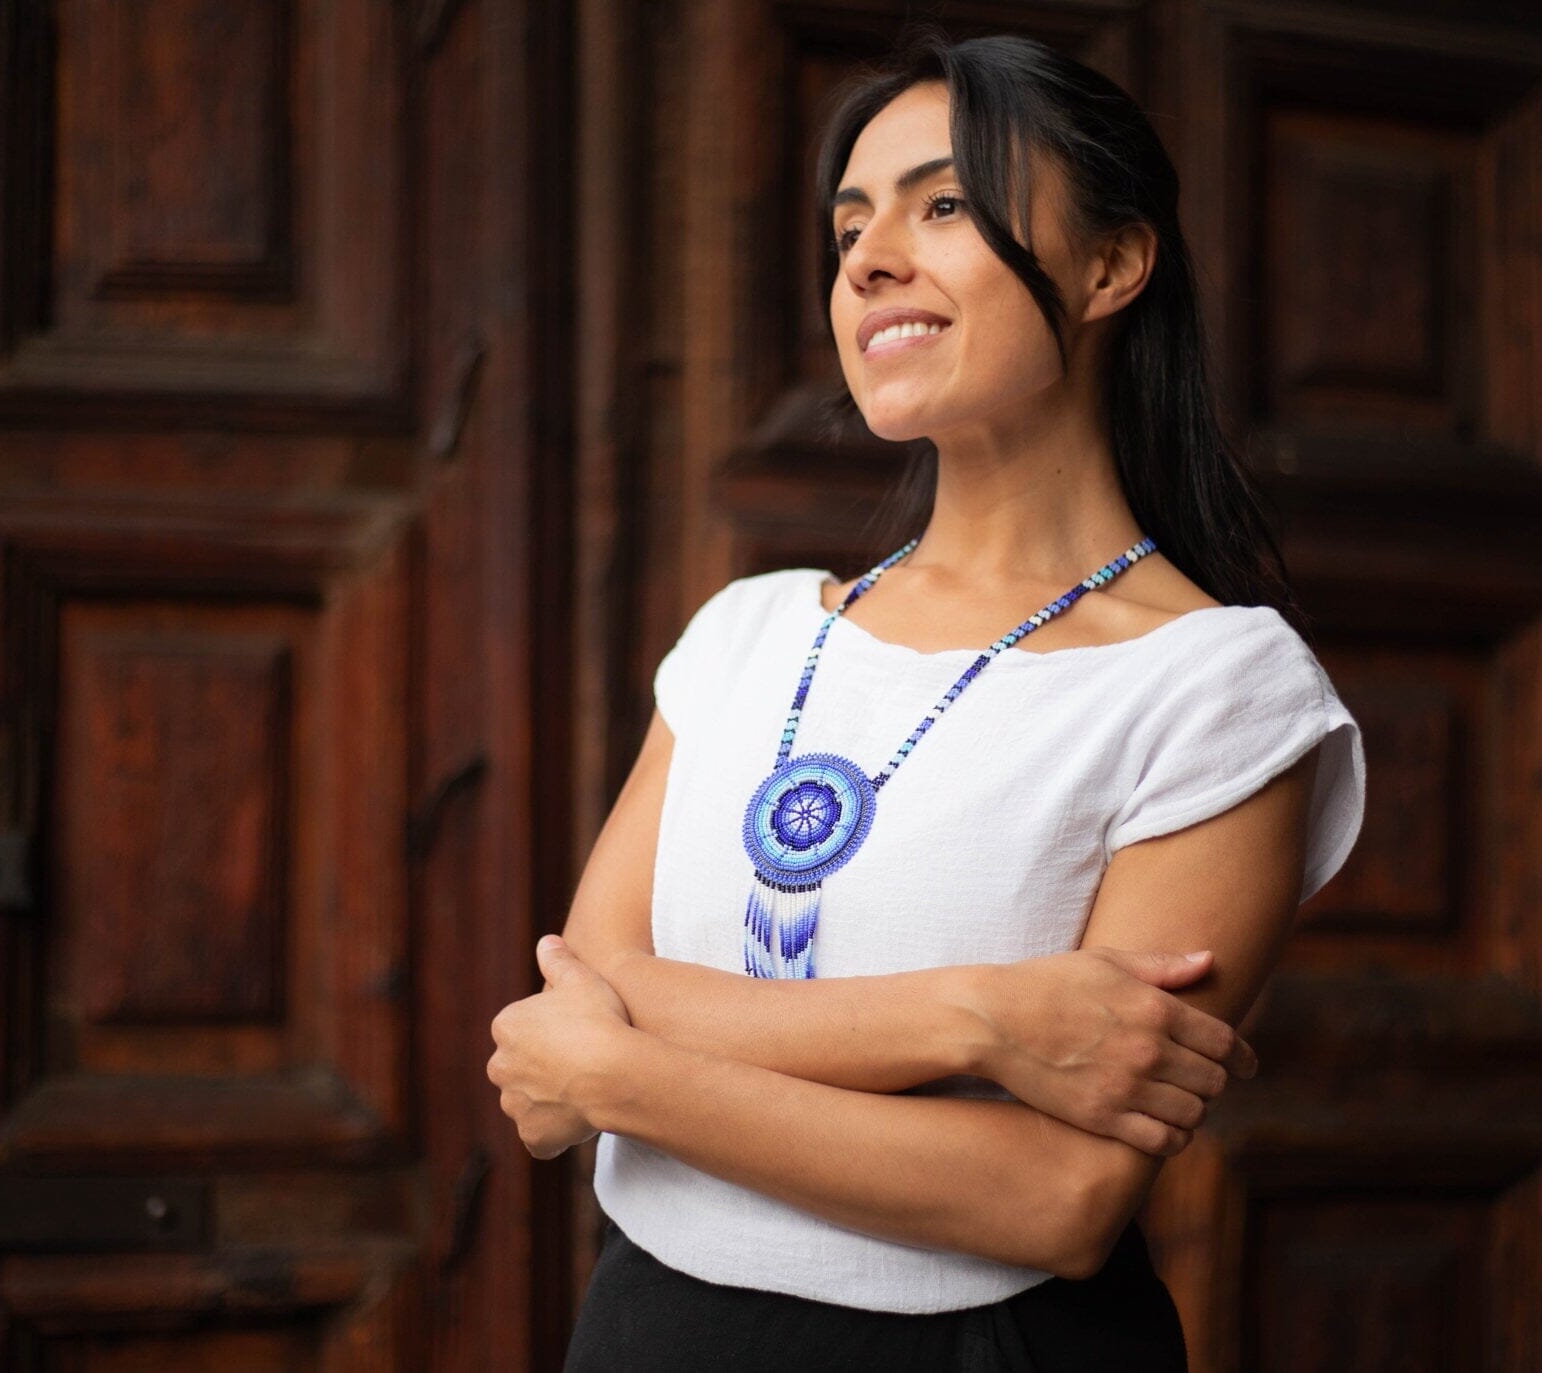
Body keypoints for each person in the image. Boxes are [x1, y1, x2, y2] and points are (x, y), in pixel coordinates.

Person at [486, 27, 1366, 1372]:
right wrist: (982, 1020)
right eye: (851, 223)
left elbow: (1053, 1198)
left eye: (943, 204)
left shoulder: (1218, 686)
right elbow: (588, 978)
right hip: (647, 1328)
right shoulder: (745, 634)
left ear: (1113, 264)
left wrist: (620, 1076)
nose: (868, 257)